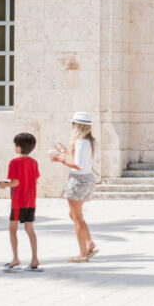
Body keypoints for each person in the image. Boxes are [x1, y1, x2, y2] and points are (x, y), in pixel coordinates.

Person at [50, 111, 97, 262]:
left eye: (73, 124)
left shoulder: (80, 142)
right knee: (75, 215)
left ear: (77, 126)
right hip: (88, 179)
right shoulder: (90, 141)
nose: (72, 126)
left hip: (78, 181)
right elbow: (82, 160)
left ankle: (83, 253)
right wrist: (66, 151)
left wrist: (60, 159)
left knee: (77, 218)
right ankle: (89, 243)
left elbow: (77, 165)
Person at [0, 132, 41, 272]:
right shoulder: (34, 162)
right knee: (30, 229)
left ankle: (15, 258)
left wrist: (4, 185)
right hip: (30, 201)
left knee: (12, 229)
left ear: (18, 147)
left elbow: (15, 182)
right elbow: (35, 181)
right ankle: (35, 259)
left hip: (18, 201)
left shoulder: (14, 162)